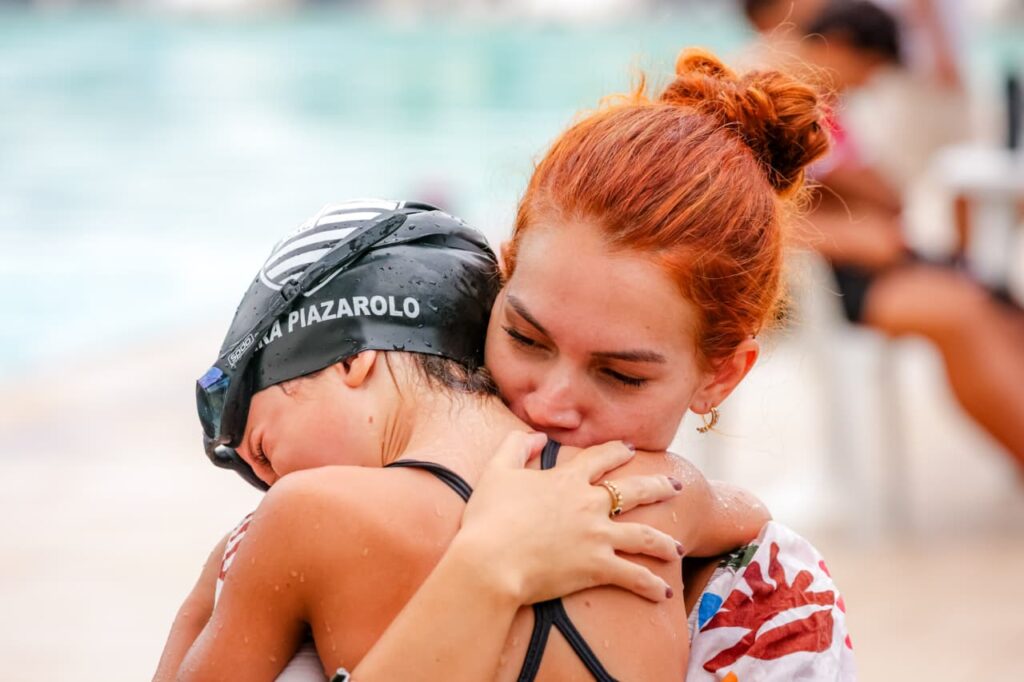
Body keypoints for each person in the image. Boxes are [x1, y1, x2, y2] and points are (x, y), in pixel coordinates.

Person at [162, 47, 856, 681]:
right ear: (503, 279)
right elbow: (737, 509)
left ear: (722, 375)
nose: (549, 404)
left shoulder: (303, 526)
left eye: (621, 375)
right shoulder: (670, 509)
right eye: (524, 337)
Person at [171, 198, 772, 681]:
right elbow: (750, 514)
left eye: (265, 452)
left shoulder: (303, 518)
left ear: (351, 360)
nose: (267, 483)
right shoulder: (654, 492)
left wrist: (220, 573)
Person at [798, 0, 1024, 466]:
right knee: (965, 314)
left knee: (997, 306)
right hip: (839, 278)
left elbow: (887, 194)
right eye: (867, 68)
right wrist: (851, 226)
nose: (868, 83)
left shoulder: (828, 113)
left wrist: (854, 188)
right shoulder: (795, 110)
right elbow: (768, 214)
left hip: (873, 259)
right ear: (837, 47)